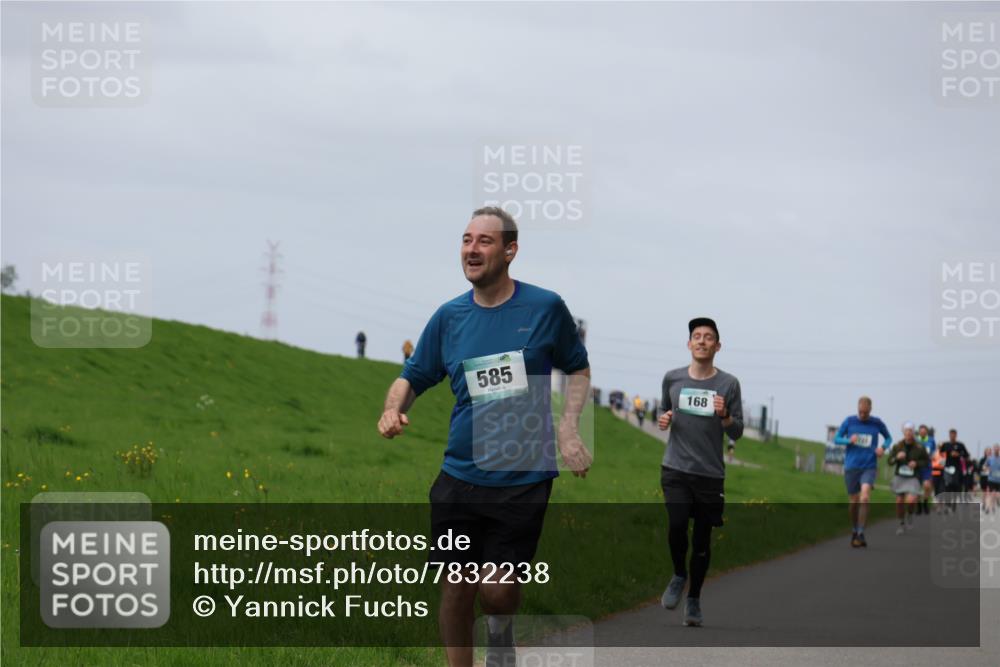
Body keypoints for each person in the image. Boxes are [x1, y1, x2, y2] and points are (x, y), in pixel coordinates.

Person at [376, 207, 591, 667]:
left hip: (523, 477)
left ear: (510, 251)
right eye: (466, 239)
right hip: (460, 473)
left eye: (484, 241)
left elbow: (577, 367)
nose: (471, 249)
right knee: (456, 582)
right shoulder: (449, 317)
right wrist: (393, 409)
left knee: (495, 591)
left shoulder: (545, 308)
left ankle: (499, 631)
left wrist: (569, 428)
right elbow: (413, 376)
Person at [657, 317, 744, 627]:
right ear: (689, 344)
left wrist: (724, 416)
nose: (702, 341)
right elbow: (664, 411)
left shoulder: (729, 384)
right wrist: (663, 420)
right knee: (678, 524)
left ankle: (694, 598)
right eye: (697, 336)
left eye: (709, 337)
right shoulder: (672, 379)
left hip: (709, 474)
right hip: (675, 467)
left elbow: (737, 433)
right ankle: (679, 574)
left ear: (717, 346)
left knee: (703, 541)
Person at [833, 396, 891, 548]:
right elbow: (837, 439)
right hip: (852, 466)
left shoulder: (876, 423)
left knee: (864, 498)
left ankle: (860, 532)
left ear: (870, 410)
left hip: (869, 466)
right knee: (853, 501)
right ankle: (854, 529)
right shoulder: (850, 421)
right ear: (857, 409)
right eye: (860, 412)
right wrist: (848, 440)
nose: (862, 415)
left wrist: (882, 448)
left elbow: (888, 438)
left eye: (865, 412)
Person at [887, 423, 929, 535]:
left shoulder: (920, 447)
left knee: (911, 501)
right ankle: (901, 523)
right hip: (900, 476)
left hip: (913, 477)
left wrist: (917, 463)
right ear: (903, 432)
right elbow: (889, 461)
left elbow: (926, 462)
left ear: (913, 432)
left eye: (910, 430)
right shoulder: (897, 446)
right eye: (906, 430)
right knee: (899, 501)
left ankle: (910, 514)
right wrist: (897, 457)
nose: (908, 432)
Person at [940, 429, 971, 511]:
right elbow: (940, 453)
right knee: (947, 485)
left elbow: (967, 455)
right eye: (951, 434)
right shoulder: (945, 444)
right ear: (949, 435)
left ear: (956, 435)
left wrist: (959, 454)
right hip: (947, 468)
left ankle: (954, 503)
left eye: (954, 434)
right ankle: (948, 502)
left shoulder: (960, 445)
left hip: (957, 469)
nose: (952, 436)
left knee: (956, 486)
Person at [916, 424, 936, 515]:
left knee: (927, 486)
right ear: (919, 432)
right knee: (916, 487)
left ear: (926, 432)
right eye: (921, 431)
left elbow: (934, 451)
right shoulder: (915, 440)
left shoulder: (931, 440)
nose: (923, 433)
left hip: (927, 467)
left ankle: (925, 502)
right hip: (917, 467)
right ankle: (919, 505)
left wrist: (932, 456)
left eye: (924, 431)